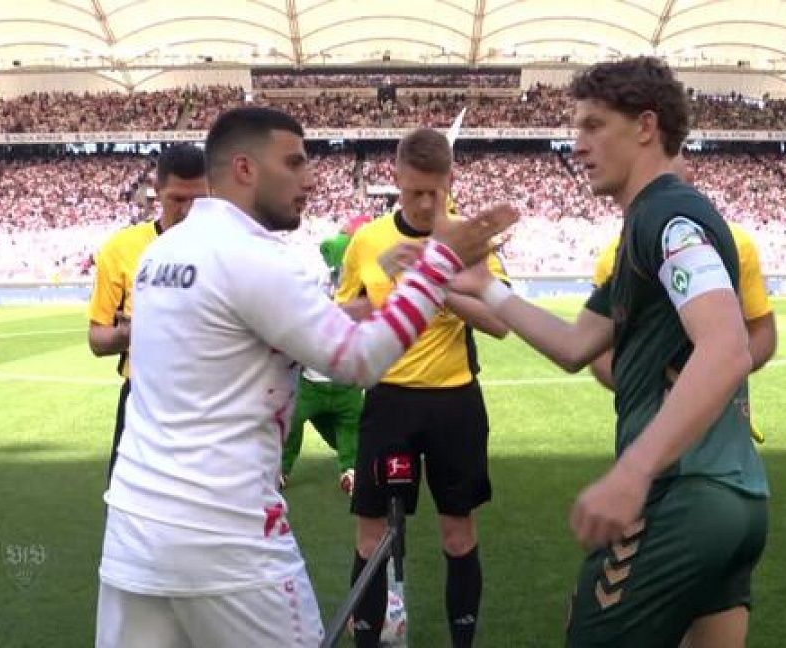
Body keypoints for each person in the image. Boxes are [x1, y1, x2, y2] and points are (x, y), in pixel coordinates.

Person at [95, 107, 516, 648]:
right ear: (245, 169)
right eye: (294, 162)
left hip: (134, 529)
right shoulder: (261, 260)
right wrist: (436, 268)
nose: (310, 178)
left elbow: (274, 328)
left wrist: (367, 304)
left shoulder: (161, 254)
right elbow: (358, 362)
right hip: (228, 534)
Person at [451, 57, 769, 647]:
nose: (578, 144)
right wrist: (487, 288)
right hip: (737, 499)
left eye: (594, 126)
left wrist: (633, 472)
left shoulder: (667, 216)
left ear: (645, 126)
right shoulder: (642, 233)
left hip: (680, 497)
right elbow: (576, 346)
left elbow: (727, 348)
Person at [338, 128, 510, 648]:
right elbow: (341, 314)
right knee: (373, 539)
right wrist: (392, 295)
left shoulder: (467, 238)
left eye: (437, 191)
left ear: (451, 179)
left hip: (455, 402)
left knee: (458, 535)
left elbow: (500, 321)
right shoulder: (368, 241)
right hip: (389, 401)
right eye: (415, 191)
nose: (428, 203)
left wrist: (435, 280)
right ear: (395, 179)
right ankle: (369, 640)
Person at [589, 157, 777, 443]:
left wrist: (713, 380)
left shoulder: (738, 243)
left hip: (721, 423)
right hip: (647, 421)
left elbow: (762, 332)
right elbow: (594, 350)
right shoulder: (613, 257)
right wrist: (645, 390)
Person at [87, 144, 208, 478]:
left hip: (210, 403)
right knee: (128, 508)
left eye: (198, 200)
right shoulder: (121, 248)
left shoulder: (227, 248)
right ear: (157, 191)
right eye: (177, 199)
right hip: (143, 399)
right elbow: (97, 339)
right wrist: (135, 330)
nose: (187, 211)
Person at [281, 215, 373, 494]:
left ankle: (351, 468)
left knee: (349, 429)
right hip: (312, 380)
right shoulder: (319, 272)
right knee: (294, 423)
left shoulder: (365, 278)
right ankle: (281, 468)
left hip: (345, 380)